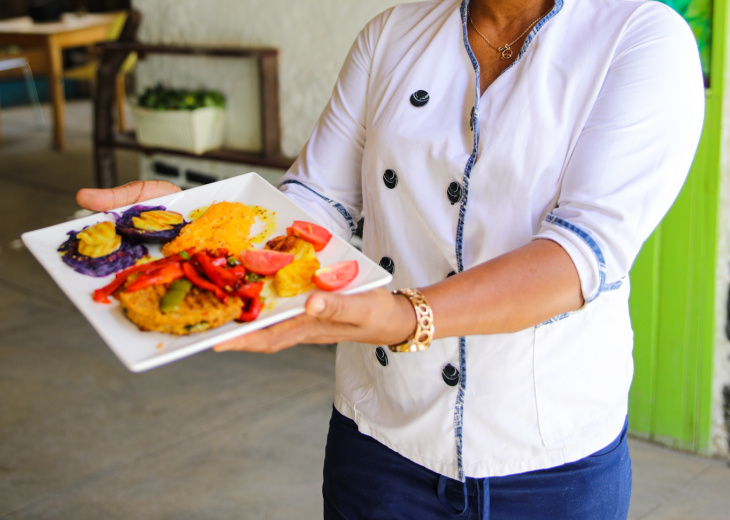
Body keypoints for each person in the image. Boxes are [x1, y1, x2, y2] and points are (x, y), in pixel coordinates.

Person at [77, 0, 705, 517]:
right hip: (380, 443)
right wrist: (209, 222)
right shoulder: (391, 35)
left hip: (548, 463)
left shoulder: (640, 38)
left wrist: (409, 317)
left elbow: (581, 254)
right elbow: (317, 200)